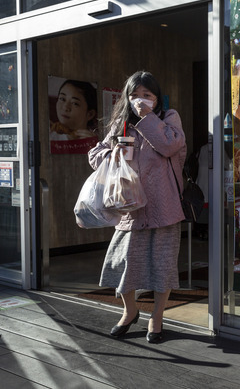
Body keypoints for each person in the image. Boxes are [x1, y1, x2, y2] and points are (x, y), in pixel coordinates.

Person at [87, 71, 187, 344]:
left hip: (165, 208)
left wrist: (147, 117)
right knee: (121, 263)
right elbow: (95, 155)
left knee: (163, 266)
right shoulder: (122, 125)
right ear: (126, 99)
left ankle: (157, 316)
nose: (140, 101)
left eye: (147, 95)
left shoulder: (168, 119)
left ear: (157, 99)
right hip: (130, 207)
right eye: (134, 96)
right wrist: (112, 153)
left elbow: (170, 146)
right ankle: (130, 312)